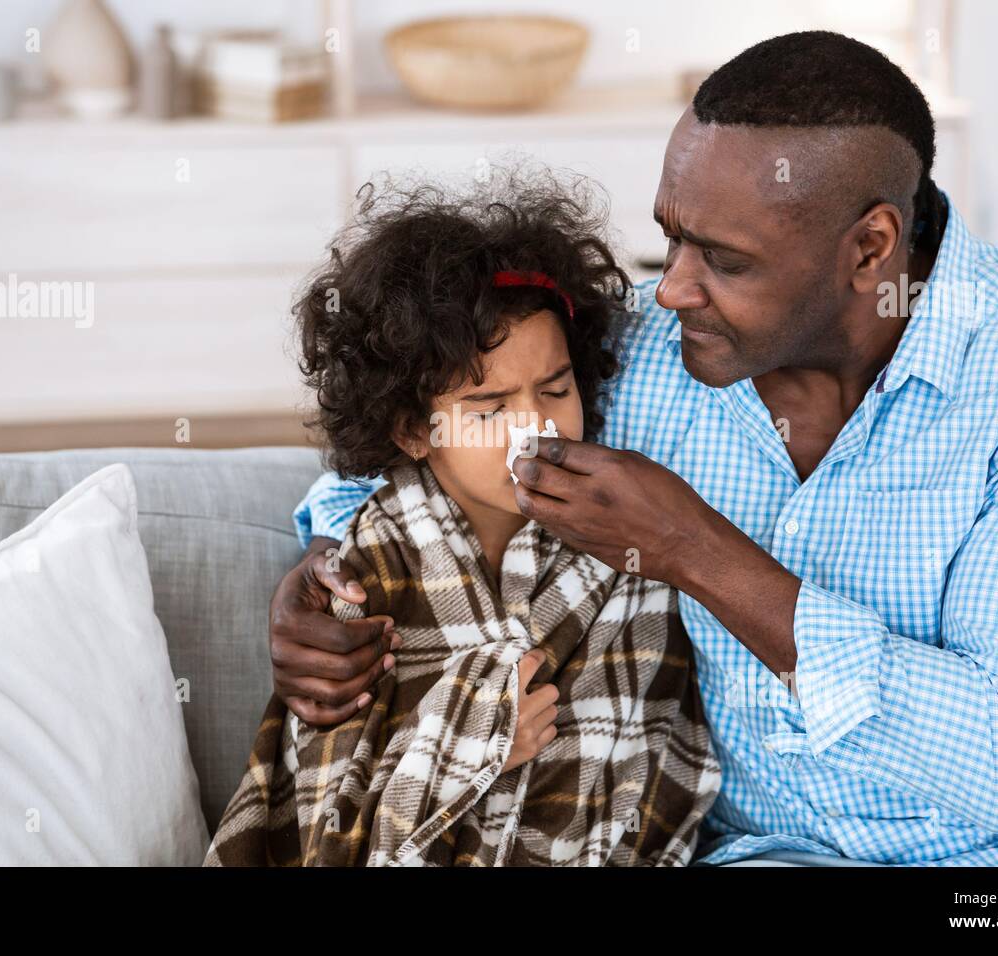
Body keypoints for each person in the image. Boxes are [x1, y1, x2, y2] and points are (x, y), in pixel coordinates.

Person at [274, 31, 998, 866]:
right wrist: (322, 567)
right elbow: (435, 443)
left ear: (870, 249)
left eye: (723, 258)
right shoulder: (642, 348)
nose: (672, 285)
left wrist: (692, 548)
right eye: (672, 236)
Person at [205, 172, 720, 866]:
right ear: (415, 431)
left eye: (556, 389)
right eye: (489, 409)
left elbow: (644, 781)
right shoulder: (363, 583)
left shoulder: (625, 558)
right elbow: (328, 830)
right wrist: (474, 740)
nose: (536, 427)